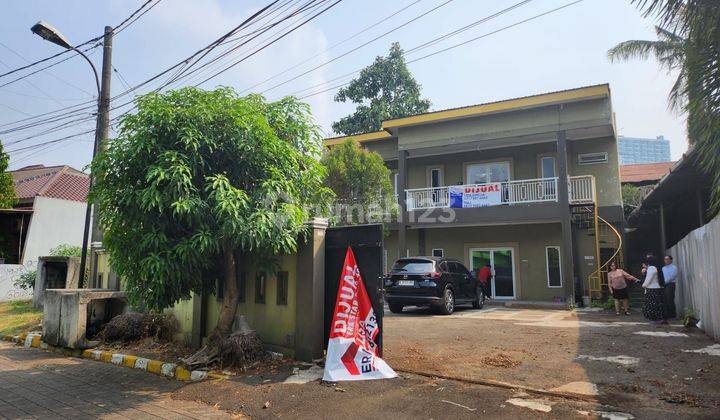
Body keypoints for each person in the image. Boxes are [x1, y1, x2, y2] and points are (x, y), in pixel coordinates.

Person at [641, 254, 667, 325]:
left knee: (652, 305)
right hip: (657, 288)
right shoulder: (657, 267)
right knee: (658, 305)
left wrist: (644, 285)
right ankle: (661, 319)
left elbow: (648, 279)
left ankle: (656, 319)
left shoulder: (651, 268)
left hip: (652, 289)